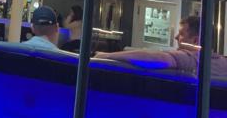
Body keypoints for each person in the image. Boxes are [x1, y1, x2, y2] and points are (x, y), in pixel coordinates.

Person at [94, 15, 227, 77]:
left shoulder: (193, 58)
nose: (176, 38)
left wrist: (105, 55)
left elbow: (160, 59)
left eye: (181, 34)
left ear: (195, 41)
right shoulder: (222, 62)